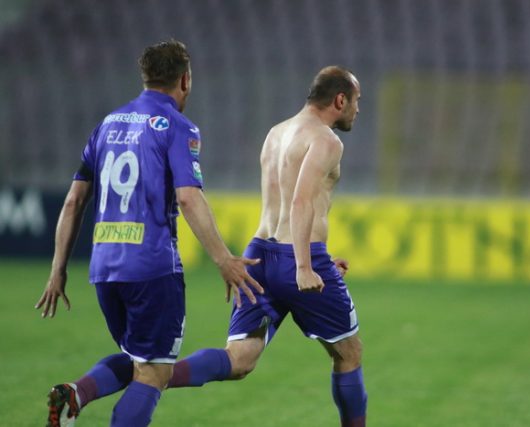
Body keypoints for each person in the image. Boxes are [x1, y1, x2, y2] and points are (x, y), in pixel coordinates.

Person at [35, 39, 263, 427]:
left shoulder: (107, 124)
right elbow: (189, 198)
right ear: (185, 80)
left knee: (141, 358)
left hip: (104, 268)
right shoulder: (177, 126)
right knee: (154, 374)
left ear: (145, 77)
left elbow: (74, 201)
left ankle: (78, 393)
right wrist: (224, 259)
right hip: (152, 267)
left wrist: (58, 269)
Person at [166, 65, 368, 426]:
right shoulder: (326, 140)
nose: (358, 109)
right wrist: (306, 265)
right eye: (356, 101)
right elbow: (301, 202)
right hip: (299, 260)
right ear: (340, 100)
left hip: (259, 254)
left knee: (239, 359)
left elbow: (286, 203)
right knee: (349, 353)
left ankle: (154, 377)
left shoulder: (276, 133)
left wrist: (308, 257)